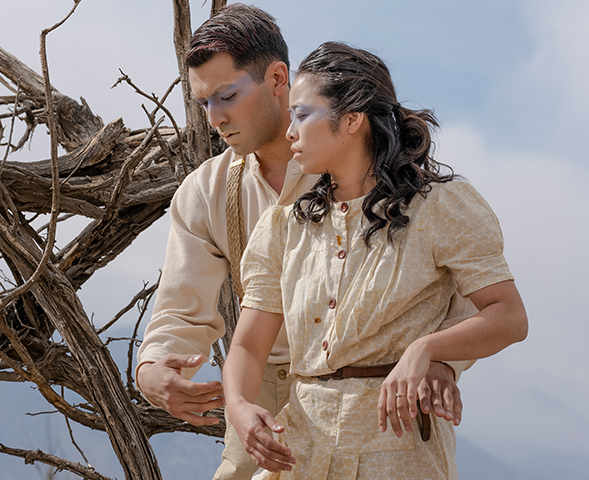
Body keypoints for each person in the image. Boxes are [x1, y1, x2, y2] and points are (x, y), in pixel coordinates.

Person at [135, 5, 476, 480]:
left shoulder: (363, 170)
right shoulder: (206, 191)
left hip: (374, 396)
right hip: (257, 391)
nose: (214, 118)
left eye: (227, 95)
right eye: (203, 103)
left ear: (278, 78)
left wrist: (442, 359)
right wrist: (152, 368)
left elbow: (464, 285)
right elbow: (181, 304)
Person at [223, 41, 529, 479]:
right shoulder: (283, 227)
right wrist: (239, 406)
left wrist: (427, 350)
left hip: (398, 450)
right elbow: (249, 345)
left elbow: (509, 317)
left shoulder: (439, 208)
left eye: (303, 114)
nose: (290, 131)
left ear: (351, 120)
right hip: (301, 451)